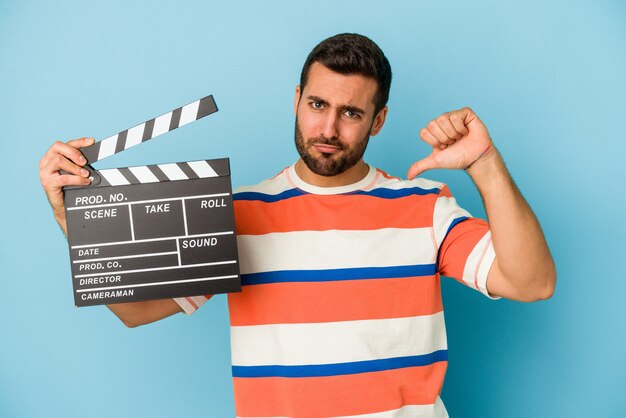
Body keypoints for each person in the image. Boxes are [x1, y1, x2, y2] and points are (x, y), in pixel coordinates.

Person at [39, 33, 556, 417]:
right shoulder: (236, 215)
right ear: (296, 100)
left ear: (378, 121)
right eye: (317, 105)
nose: (328, 129)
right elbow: (137, 309)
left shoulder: (425, 206)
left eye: (351, 113)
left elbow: (532, 281)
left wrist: (484, 162)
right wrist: (71, 216)